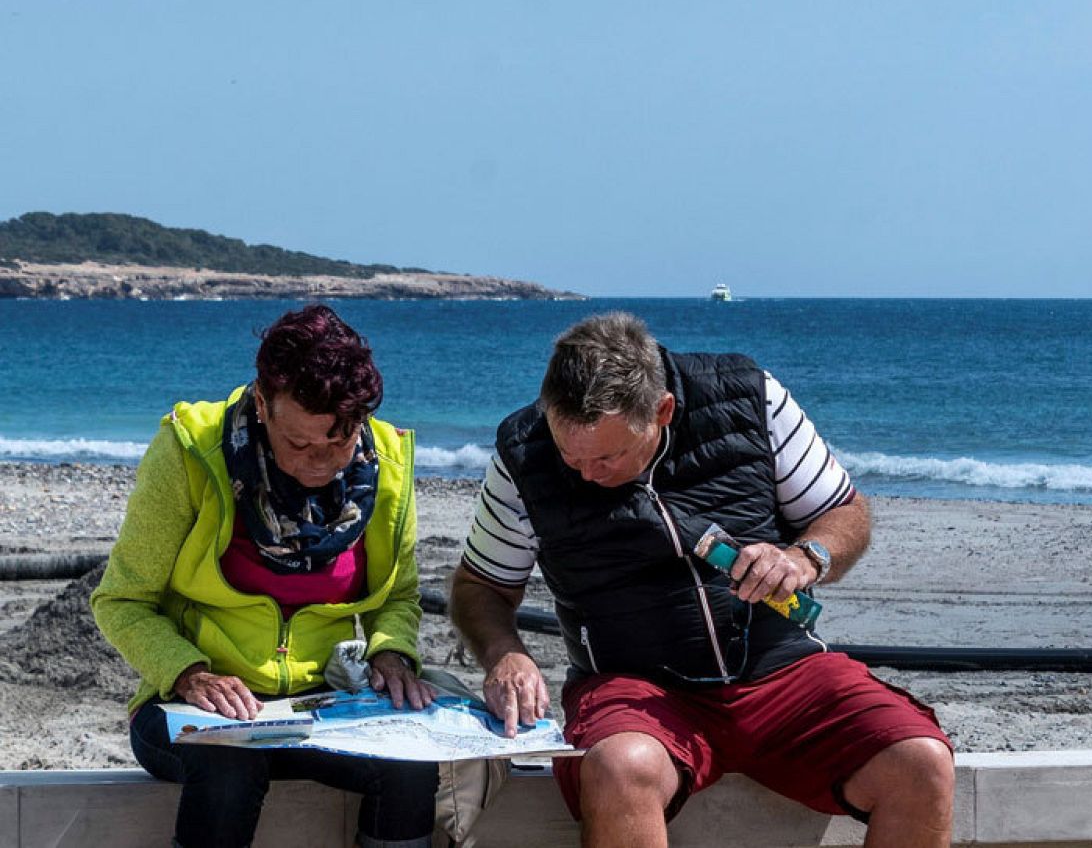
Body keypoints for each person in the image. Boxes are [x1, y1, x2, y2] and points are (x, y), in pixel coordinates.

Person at [450, 311, 954, 847]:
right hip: (632, 685)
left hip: (783, 671)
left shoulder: (750, 396)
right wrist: (504, 653)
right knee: (621, 768)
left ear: (662, 411)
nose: (585, 473)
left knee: (919, 761)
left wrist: (806, 558)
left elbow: (844, 512)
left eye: (607, 456)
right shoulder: (523, 451)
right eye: (569, 455)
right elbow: (480, 585)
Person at [90, 304, 440, 848]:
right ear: (262, 402)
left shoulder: (389, 462)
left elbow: (398, 596)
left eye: (339, 441)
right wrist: (188, 673)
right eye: (299, 444)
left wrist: (391, 652)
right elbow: (121, 602)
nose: (320, 463)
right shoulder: (191, 448)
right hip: (192, 708)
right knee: (230, 772)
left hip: (326, 705)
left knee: (410, 768)